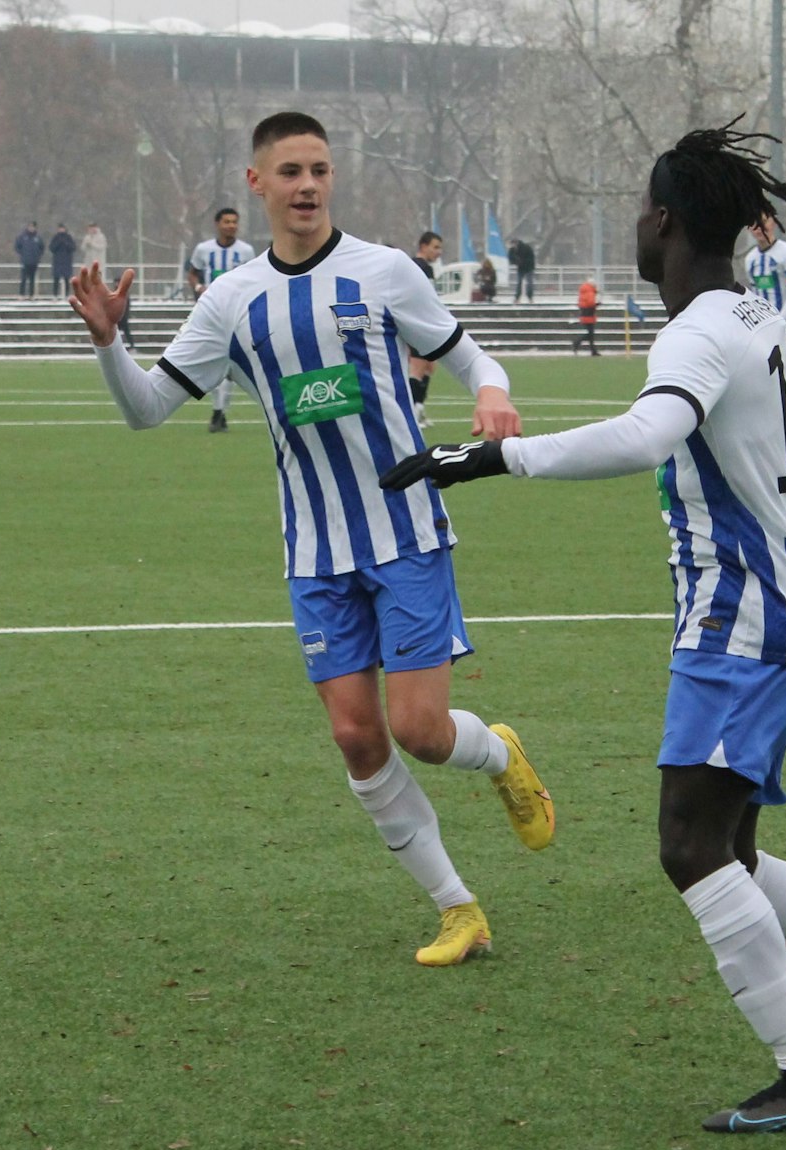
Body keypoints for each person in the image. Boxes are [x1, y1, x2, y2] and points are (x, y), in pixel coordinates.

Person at [380, 120, 786, 1135]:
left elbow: (650, 431)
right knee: (726, 847)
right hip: (775, 605)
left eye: (638, 212)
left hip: (740, 612)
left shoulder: (698, 326)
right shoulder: (754, 319)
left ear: (659, 220)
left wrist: (490, 460)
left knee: (688, 845)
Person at [66, 111, 555, 969]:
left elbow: (472, 355)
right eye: (288, 171)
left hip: (403, 530)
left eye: (320, 170)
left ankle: (499, 750)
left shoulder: (385, 272)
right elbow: (146, 410)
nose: (306, 186)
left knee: (421, 730)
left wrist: (492, 395)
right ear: (256, 185)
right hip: (313, 550)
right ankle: (459, 908)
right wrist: (111, 344)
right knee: (357, 738)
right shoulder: (230, 300)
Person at [186, 207, 259, 433]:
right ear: (218, 224)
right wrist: (198, 287)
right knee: (216, 361)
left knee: (230, 363)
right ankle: (219, 413)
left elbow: (254, 278)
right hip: (210, 312)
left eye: (234, 222)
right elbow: (193, 272)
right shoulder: (203, 249)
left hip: (236, 313)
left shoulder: (246, 251)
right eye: (227, 222)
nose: (231, 226)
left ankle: (219, 413)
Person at [744, 212, 786, 340]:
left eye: (764, 221)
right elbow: (755, 295)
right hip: (762, 330)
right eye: (754, 223)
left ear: (774, 222)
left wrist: (779, 321)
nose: (759, 227)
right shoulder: (750, 259)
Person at [407, 231, 444, 428]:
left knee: (430, 366)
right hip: (418, 325)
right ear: (423, 246)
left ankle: (418, 408)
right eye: (435, 247)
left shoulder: (418, 266)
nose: (439, 252)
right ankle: (411, 412)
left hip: (422, 324)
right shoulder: (421, 267)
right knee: (418, 369)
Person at [48, 223, 78, 298]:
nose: (61, 230)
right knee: (56, 279)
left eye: (62, 228)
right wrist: (58, 243)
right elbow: (51, 248)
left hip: (66, 261)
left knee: (66, 279)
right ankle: (55, 295)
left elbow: (73, 248)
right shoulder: (55, 237)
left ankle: (66, 295)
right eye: (60, 228)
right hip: (57, 261)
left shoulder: (68, 237)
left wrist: (66, 243)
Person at [14, 222, 43, 297]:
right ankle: (22, 294)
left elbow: (42, 248)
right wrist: (22, 254)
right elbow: (17, 246)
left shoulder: (38, 238)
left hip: (34, 262)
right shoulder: (23, 237)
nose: (31, 228)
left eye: (33, 227)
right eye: (30, 227)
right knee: (23, 279)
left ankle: (31, 295)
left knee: (32, 280)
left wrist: (37, 256)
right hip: (25, 261)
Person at [574, 278, 600, 354]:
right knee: (590, 334)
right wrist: (597, 304)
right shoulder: (590, 292)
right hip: (589, 315)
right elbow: (591, 303)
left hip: (584, 314)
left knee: (590, 334)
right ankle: (576, 343)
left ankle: (593, 350)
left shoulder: (584, 291)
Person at [509, 237, 536, 303]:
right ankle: (517, 298)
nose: (513, 246)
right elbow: (511, 258)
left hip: (528, 267)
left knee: (529, 283)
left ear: (517, 243)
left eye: (514, 244)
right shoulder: (512, 250)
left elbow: (531, 258)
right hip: (521, 268)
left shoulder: (526, 248)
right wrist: (516, 261)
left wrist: (522, 262)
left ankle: (530, 297)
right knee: (519, 283)